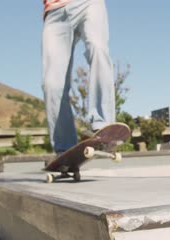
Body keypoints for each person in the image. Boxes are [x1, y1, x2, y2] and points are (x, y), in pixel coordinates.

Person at [42, 0, 115, 155]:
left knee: (98, 49)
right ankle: (65, 151)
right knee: (52, 85)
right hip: (55, 13)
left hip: (89, 3)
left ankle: (102, 124)